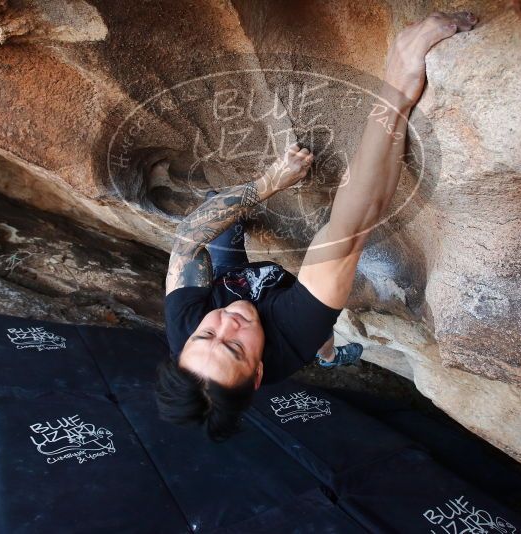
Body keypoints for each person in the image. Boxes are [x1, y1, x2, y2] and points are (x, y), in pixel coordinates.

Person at [156, 11, 478, 440]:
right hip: (292, 317)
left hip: (236, 277)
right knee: (322, 328)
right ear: (257, 374)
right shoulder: (295, 332)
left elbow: (187, 239)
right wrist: (397, 87)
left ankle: (327, 353)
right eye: (234, 346)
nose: (227, 323)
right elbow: (353, 219)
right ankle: (328, 355)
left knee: (217, 211)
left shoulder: (185, 328)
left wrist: (271, 181)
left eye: (206, 335)